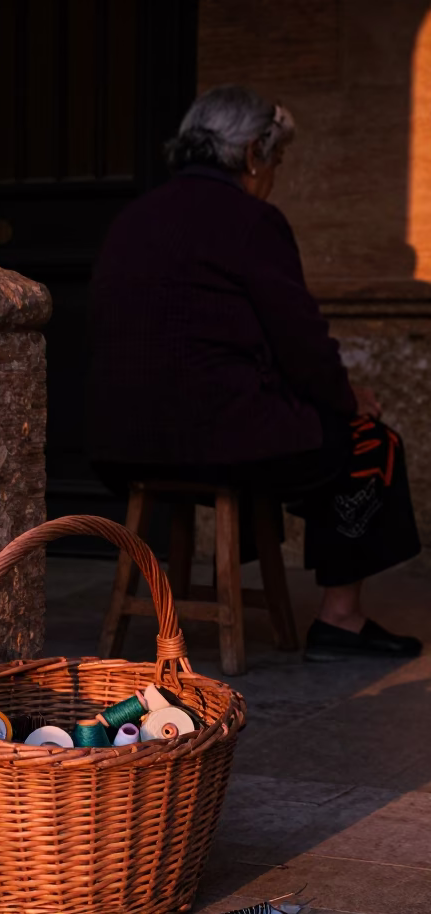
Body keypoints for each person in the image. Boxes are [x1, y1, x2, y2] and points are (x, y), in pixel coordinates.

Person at [88, 85, 422, 660]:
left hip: (118, 443)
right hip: (213, 440)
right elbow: (302, 345)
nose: (274, 177)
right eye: (276, 161)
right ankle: (342, 619)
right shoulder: (252, 221)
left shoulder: (134, 216)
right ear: (249, 156)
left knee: (276, 420)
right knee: (370, 443)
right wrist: (348, 400)